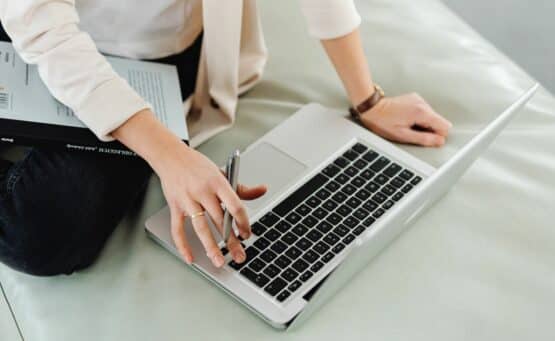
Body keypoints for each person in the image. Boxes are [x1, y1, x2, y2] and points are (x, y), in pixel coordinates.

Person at [0, 0, 452, 276]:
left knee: (44, 231)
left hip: (149, 65)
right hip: (34, 30)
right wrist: (169, 156)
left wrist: (368, 100)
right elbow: (43, 28)